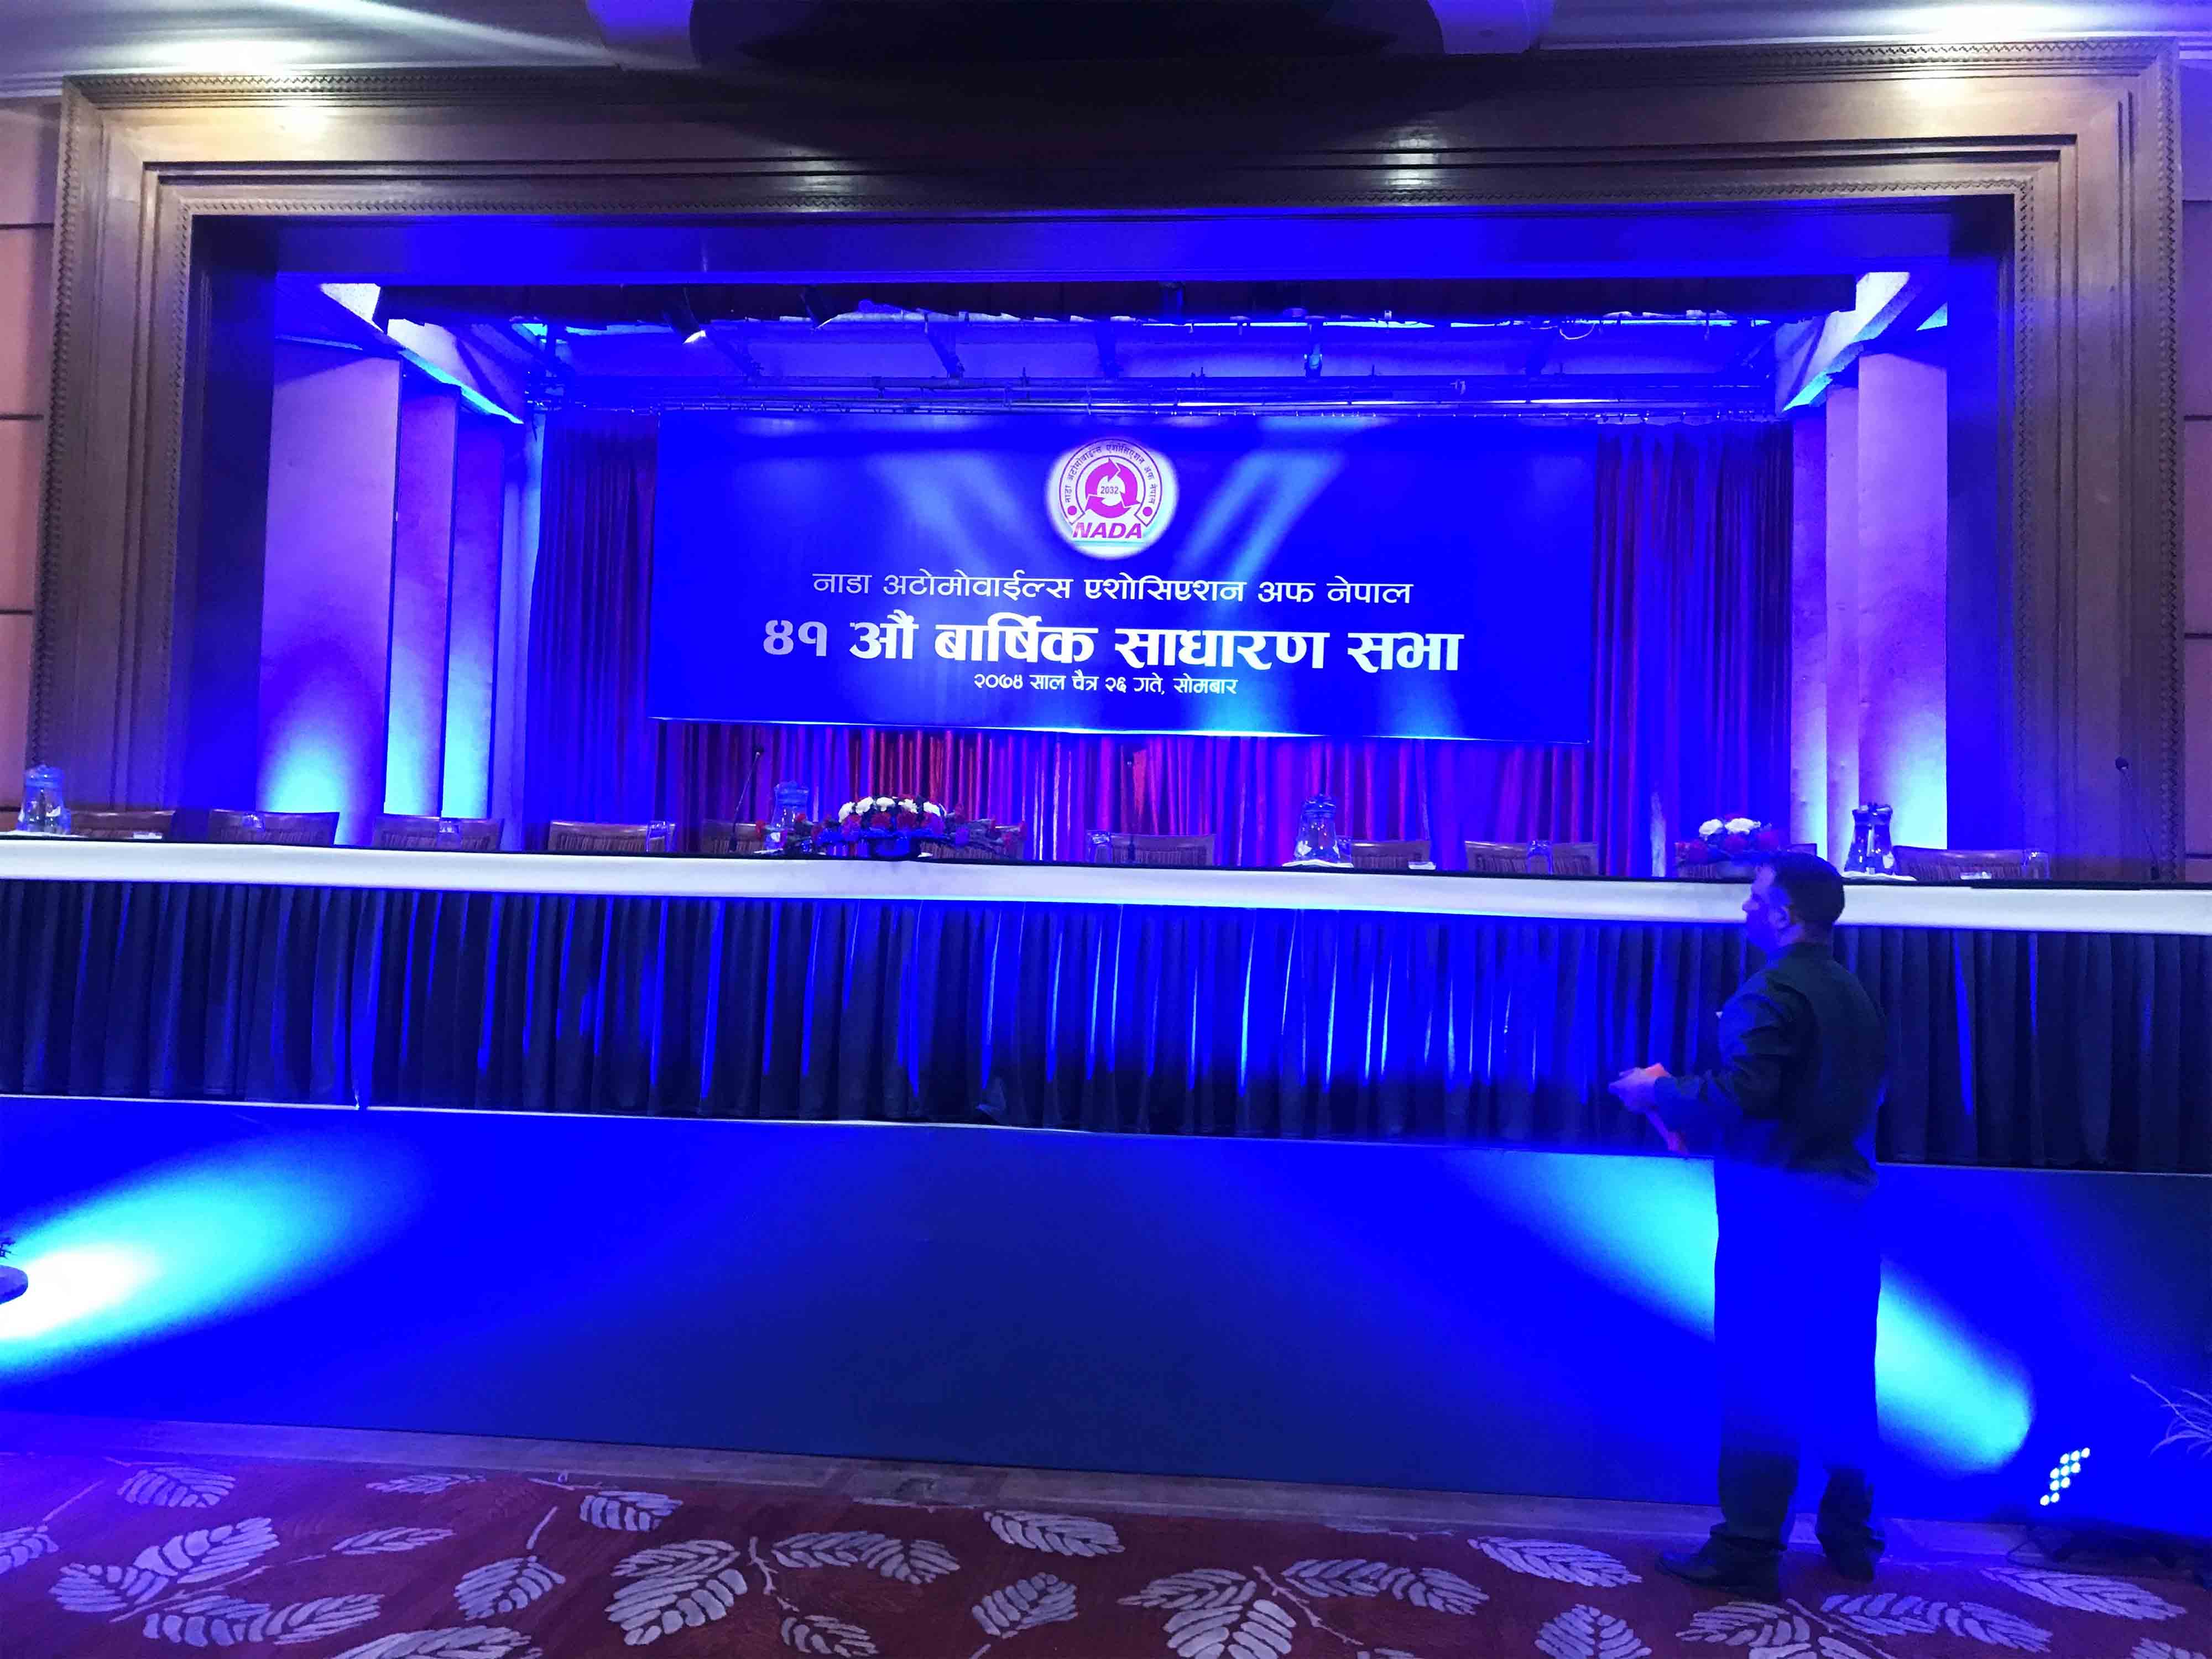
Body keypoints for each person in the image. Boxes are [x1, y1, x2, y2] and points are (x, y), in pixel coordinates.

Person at [1609, 852, 1887, 1597]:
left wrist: (1658, 1092)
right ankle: (1851, 1535)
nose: (1743, 908)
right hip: (1850, 1210)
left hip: (1778, 1219)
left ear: (1785, 915)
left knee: (1761, 1377)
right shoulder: (1856, 993)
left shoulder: (1767, 993)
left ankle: (1749, 1545)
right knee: (1844, 1375)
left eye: (1755, 898)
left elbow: (1743, 1099)